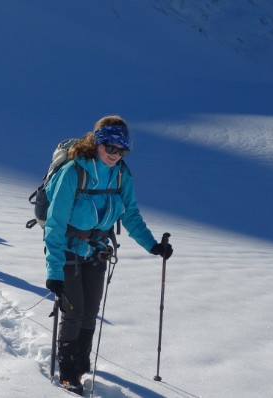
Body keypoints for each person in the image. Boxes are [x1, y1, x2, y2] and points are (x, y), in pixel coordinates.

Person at [42, 115, 173, 395]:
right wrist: (53, 273)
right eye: (110, 148)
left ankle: (80, 365)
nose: (115, 155)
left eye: (121, 150)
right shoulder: (74, 172)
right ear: (98, 143)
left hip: (98, 251)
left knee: (90, 312)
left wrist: (152, 245)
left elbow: (131, 214)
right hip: (67, 250)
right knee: (74, 312)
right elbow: (54, 224)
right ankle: (67, 373)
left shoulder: (122, 173)